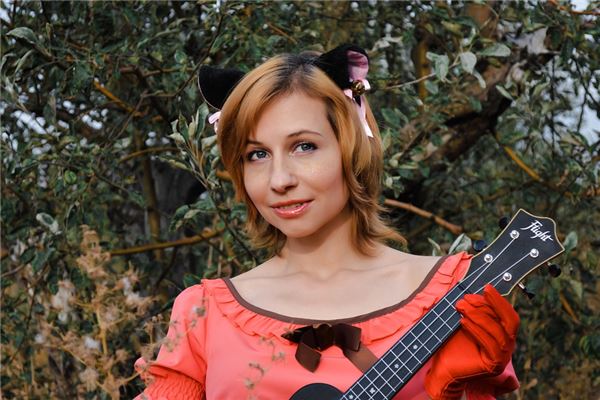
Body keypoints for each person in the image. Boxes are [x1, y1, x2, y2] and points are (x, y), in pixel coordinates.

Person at [134, 44, 520, 400]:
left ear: (352, 148)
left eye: (304, 146)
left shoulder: (454, 296)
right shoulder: (205, 313)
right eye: (257, 155)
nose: (279, 180)